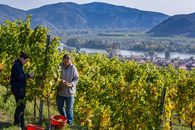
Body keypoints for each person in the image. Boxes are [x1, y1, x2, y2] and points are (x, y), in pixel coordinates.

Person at [10, 52, 34, 129]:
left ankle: (20, 123)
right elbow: (20, 77)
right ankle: (17, 124)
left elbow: (21, 76)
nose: (26, 62)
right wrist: (28, 75)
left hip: (19, 88)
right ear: (22, 58)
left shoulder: (19, 65)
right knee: (21, 106)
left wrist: (27, 76)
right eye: (26, 60)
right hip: (18, 88)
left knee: (21, 106)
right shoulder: (16, 65)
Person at [56, 54, 79, 125]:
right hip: (61, 91)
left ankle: (69, 122)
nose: (66, 63)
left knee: (69, 109)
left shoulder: (73, 68)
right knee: (60, 106)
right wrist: (59, 80)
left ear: (70, 61)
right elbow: (55, 76)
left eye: (68, 61)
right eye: (65, 61)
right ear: (63, 60)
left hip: (70, 92)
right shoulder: (59, 66)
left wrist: (71, 84)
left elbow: (76, 78)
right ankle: (64, 118)